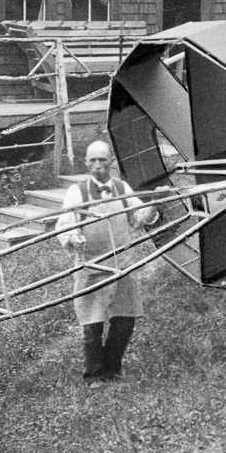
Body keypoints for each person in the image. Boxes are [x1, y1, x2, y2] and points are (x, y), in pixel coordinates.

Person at [56, 140, 160, 387]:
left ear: (112, 162)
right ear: (86, 163)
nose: (97, 166)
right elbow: (64, 225)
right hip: (91, 267)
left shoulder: (122, 188)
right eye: (92, 160)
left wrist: (155, 202)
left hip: (122, 265)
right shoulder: (77, 192)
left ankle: (112, 368)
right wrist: (74, 237)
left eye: (102, 160)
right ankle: (94, 374)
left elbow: (139, 218)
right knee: (92, 324)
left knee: (125, 319)